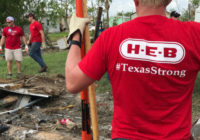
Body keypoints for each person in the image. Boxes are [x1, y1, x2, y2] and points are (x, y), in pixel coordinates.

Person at [65, 0, 200, 139]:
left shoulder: (111, 36)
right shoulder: (195, 34)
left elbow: (73, 82)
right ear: (169, 1)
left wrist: (75, 37)